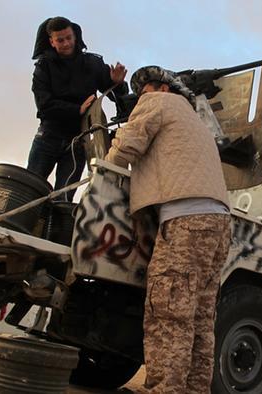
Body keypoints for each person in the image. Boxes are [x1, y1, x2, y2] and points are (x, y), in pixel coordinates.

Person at [105, 66, 231, 394]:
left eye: (144, 91)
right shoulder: (195, 120)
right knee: (200, 320)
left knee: (169, 312)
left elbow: (126, 147)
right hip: (218, 224)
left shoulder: (159, 104)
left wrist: (105, 162)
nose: (140, 99)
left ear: (162, 88)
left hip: (186, 222)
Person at [28, 16, 128, 201]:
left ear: (75, 36)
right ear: (51, 41)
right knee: (30, 190)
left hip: (78, 141)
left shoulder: (92, 63)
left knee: (63, 198)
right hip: (48, 137)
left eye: (69, 38)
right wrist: (77, 109)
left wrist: (117, 83)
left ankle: (56, 229)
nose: (66, 43)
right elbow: (44, 105)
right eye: (60, 40)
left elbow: (115, 93)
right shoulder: (43, 67)